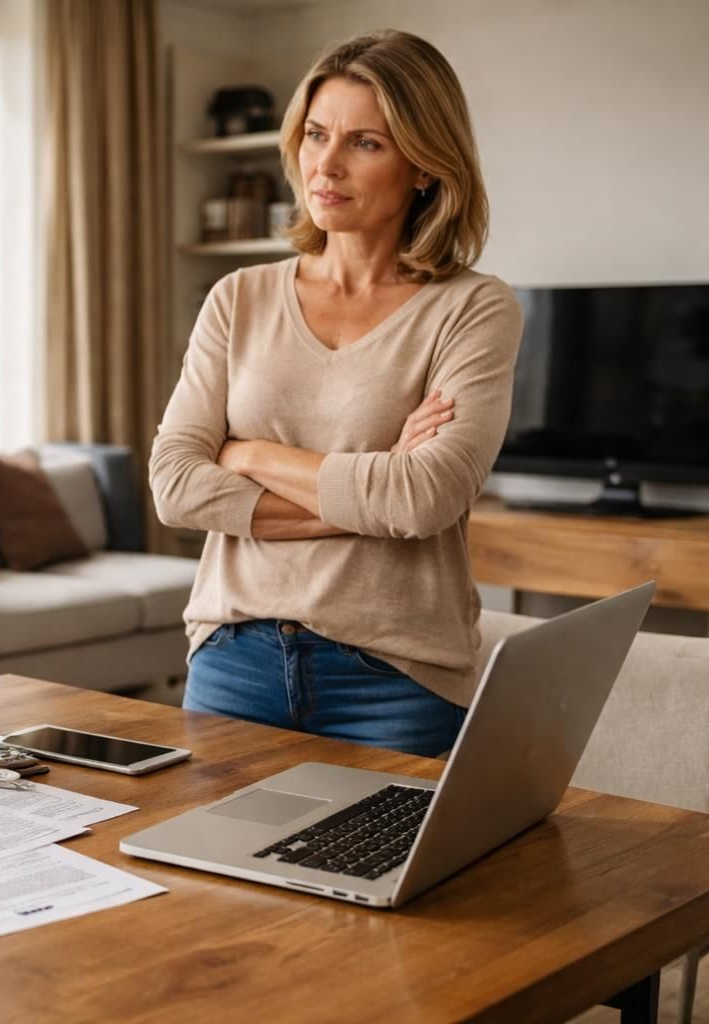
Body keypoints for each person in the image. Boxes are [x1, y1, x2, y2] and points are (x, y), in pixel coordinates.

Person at [150, 30, 522, 757]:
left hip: (397, 677)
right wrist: (370, 491)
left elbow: (424, 498)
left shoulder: (474, 309)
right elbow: (175, 487)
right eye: (317, 134)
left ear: (424, 165)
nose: (326, 162)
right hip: (234, 658)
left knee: (386, 873)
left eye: (366, 143)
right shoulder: (238, 298)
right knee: (207, 871)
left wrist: (248, 451)